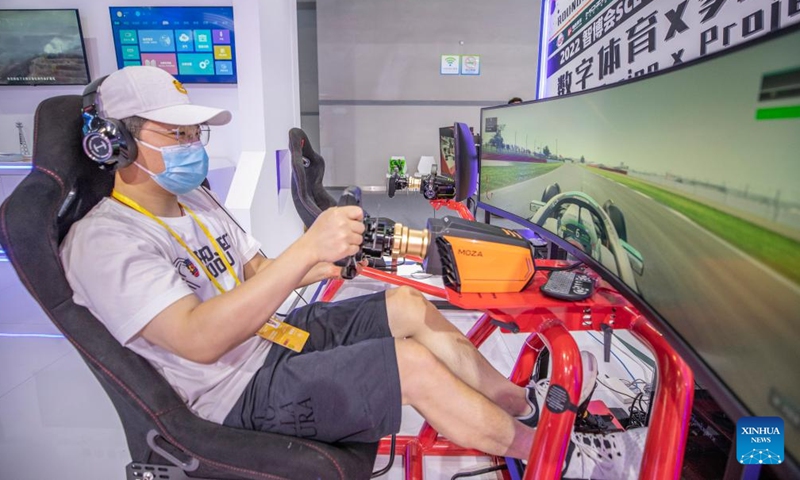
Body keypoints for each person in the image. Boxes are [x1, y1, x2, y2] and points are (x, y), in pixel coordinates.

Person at [61, 66, 645, 476]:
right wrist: (304, 253)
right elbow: (198, 339)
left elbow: (259, 272)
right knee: (410, 365)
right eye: (176, 133)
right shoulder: (106, 241)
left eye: (195, 133)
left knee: (407, 307)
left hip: (268, 341)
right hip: (231, 393)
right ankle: (551, 454)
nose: (193, 146)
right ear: (113, 143)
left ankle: (519, 402)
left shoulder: (196, 202)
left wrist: (326, 260)